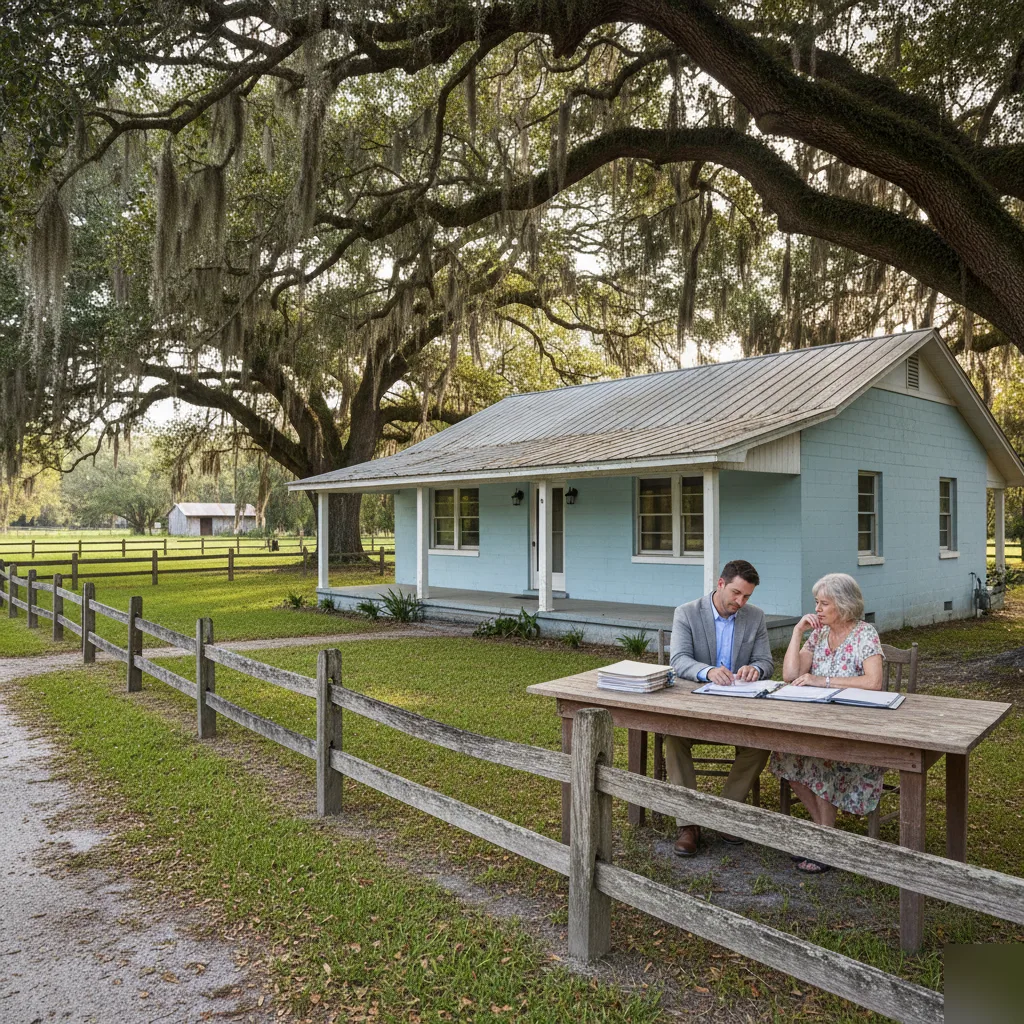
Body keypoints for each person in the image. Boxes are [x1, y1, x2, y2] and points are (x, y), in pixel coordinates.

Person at [769, 572, 884, 874]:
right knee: (786, 756)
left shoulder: (864, 633)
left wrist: (824, 680)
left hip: (857, 732)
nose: (817, 609)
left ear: (843, 605)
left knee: (820, 761)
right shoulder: (818, 634)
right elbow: (790, 676)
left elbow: (874, 682)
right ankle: (827, 836)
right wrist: (797, 632)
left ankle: (825, 844)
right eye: (816, 603)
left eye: (824, 604)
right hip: (819, 724)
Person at [667, 559, 774, 856]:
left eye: (747, 597)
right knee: (674, 737)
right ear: (721, 584)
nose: (741, 601)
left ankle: (725, 814)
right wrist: (708, 671)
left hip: (739, 709)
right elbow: (678, 660)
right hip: (695, 707)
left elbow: (766, 661)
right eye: (736, 593)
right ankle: (688, 824)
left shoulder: (755, 617)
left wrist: (756, 669)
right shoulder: (687, 613)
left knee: (763, 741)